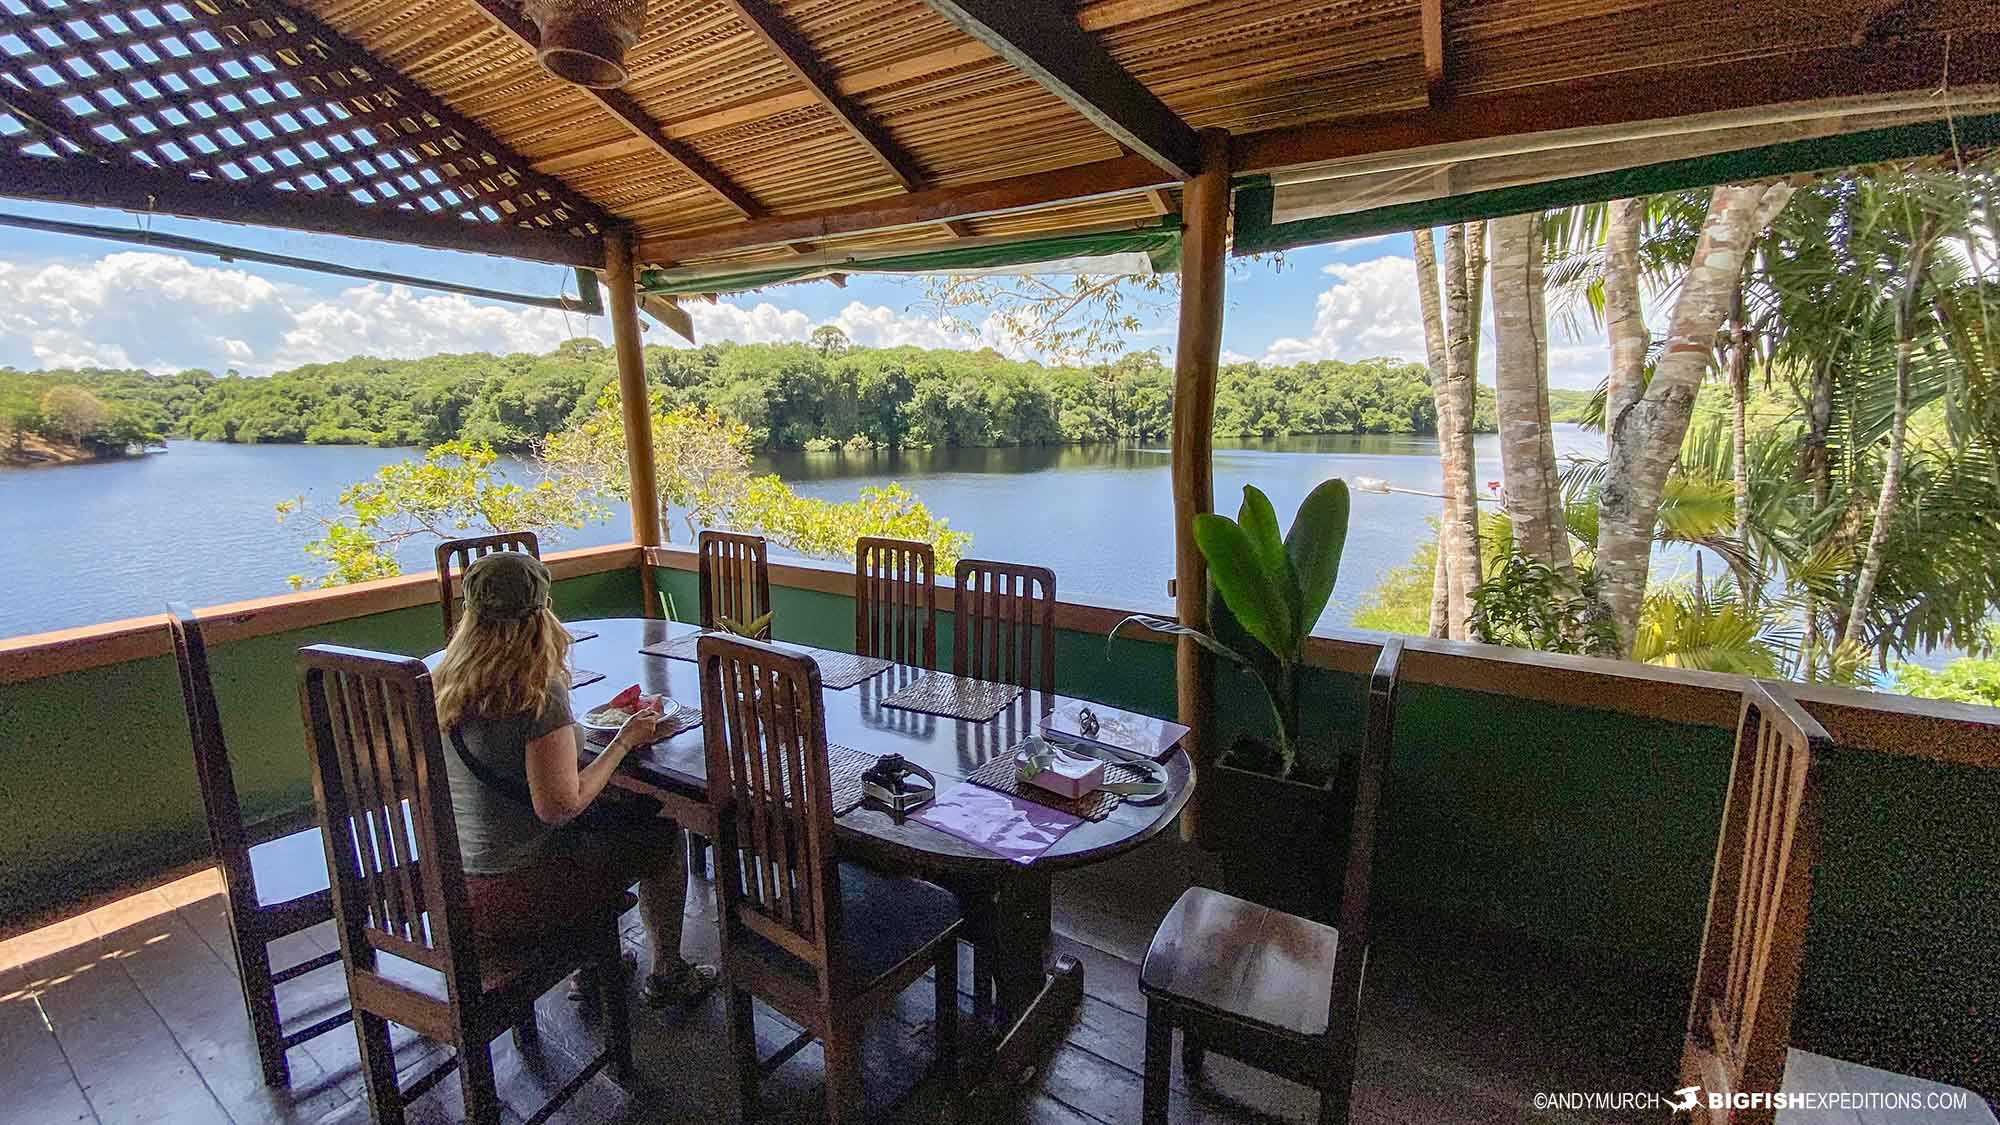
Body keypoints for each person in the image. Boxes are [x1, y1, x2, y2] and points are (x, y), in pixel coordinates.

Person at [432, 551, 717, 1007]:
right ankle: (666, 973)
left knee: (606, 820)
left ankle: (595, 961)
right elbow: (559, 806)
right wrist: (623, 740)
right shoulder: (536, 690)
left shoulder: (437, 679)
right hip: (519, 894)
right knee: (661, 836)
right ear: (542, 611)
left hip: (452, 890)